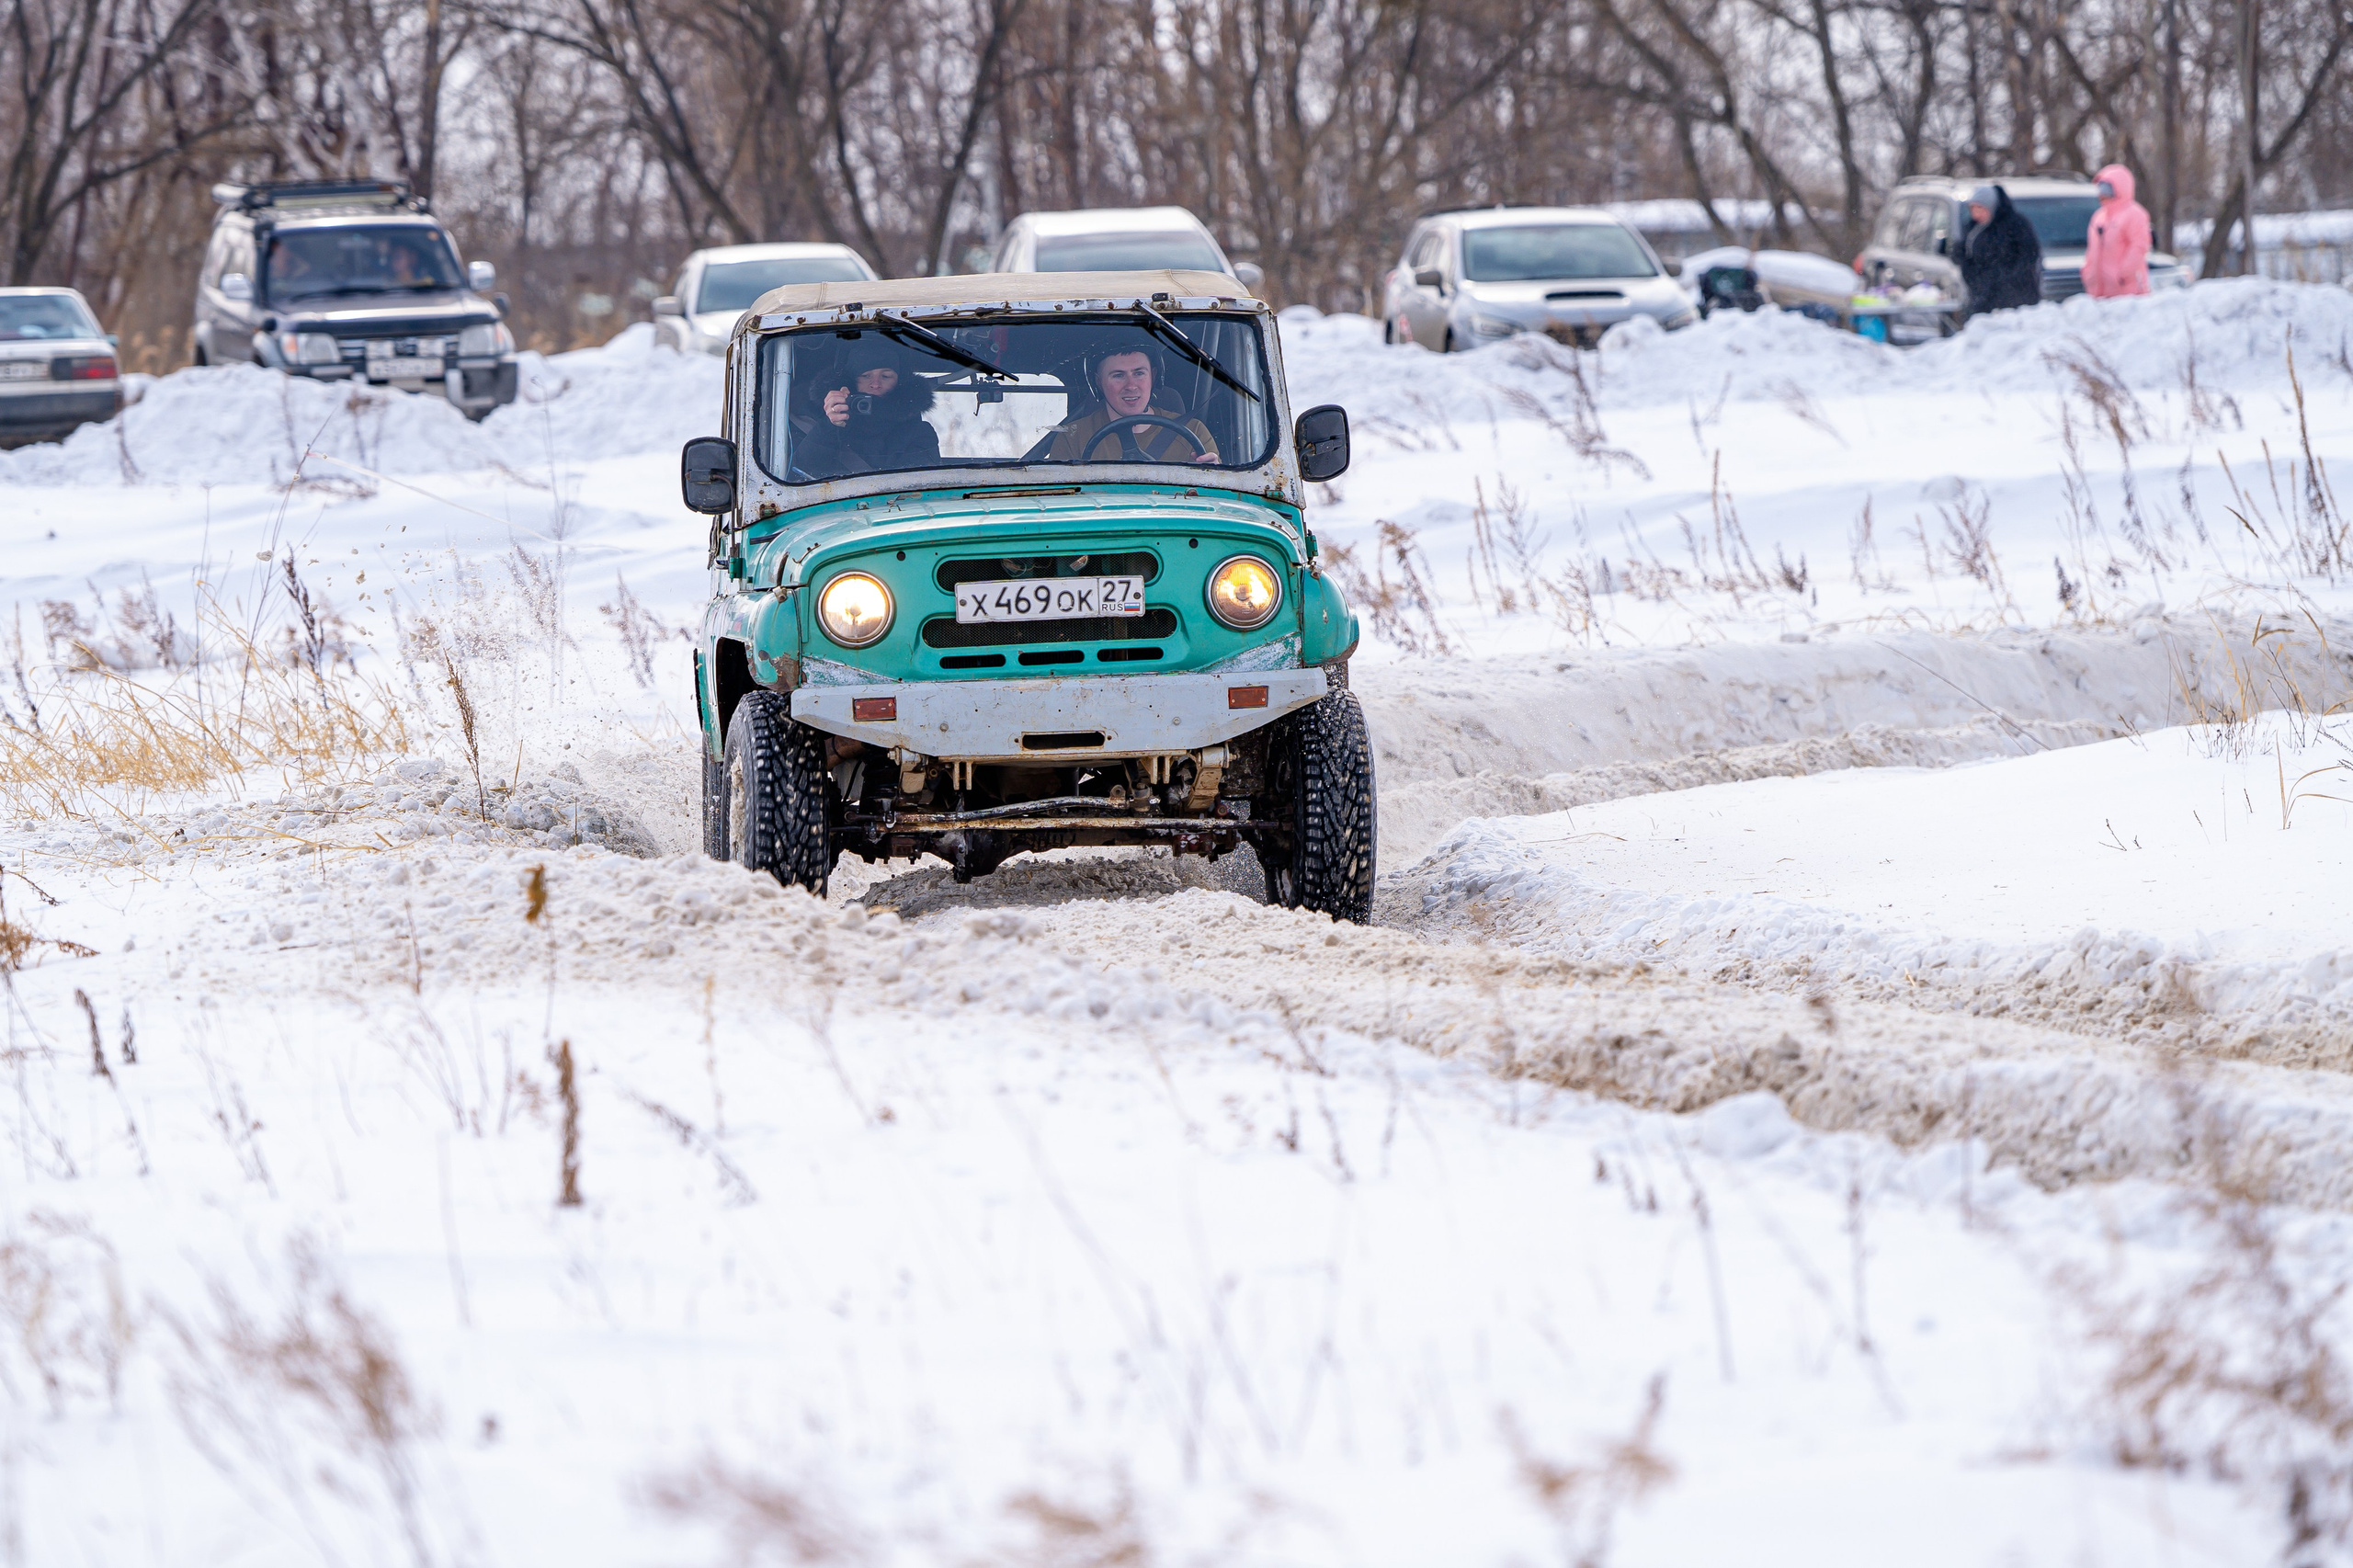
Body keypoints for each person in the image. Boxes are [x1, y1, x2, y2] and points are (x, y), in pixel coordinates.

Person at [1046, 340, 1219, 464]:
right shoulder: (1073, 437)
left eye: (1139, 373)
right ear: (1099, 382)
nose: (1131, 386)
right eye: (1118, 375)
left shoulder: (1194, 432)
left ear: (1153, 376)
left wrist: (1212, 475)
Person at [796, 337, 941, 477]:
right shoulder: (816, 423)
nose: (875, 384)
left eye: (886, 376)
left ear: (899, 383)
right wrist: (830, 426)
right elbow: (801, 472)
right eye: (866, 376)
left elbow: (919, 482)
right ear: (851, 381)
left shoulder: (918, 432)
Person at [1958, 183, 2042, 316]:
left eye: (1980, 208)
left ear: (1991, 206)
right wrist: (1976, 280)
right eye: (1972, 208)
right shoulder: (1972, 229)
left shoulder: (2015, 225)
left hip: (2015, 297)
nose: (1976, 214)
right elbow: (1967, 257)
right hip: (1982, 297)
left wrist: (2004, 278)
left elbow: (2028, 255)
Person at [2082, 164, 2153, 299]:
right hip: (2098, 293)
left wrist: (2123, 275)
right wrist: (2088, 273)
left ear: (2120, 187)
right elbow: (2092, 250)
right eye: (2100, 188)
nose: (2102, 194)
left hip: (2127, 293)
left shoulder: (2134, 214)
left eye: (2107, 188)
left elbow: (2139, 246)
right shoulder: (2099, 217)